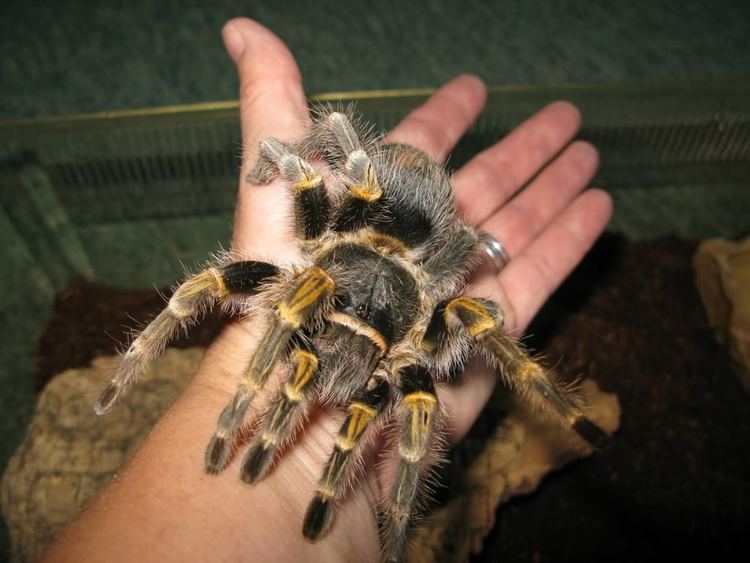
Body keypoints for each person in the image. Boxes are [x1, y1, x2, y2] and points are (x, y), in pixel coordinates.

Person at [41, 18, 612, 563]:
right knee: (218, 277)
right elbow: (308, 166)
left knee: (434, 388)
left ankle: (394, 537)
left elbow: (468, 275)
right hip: (360, 233)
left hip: (415, 262)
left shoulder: (425, 315)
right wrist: (282, 161)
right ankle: (145, 371)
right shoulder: (313, 271)